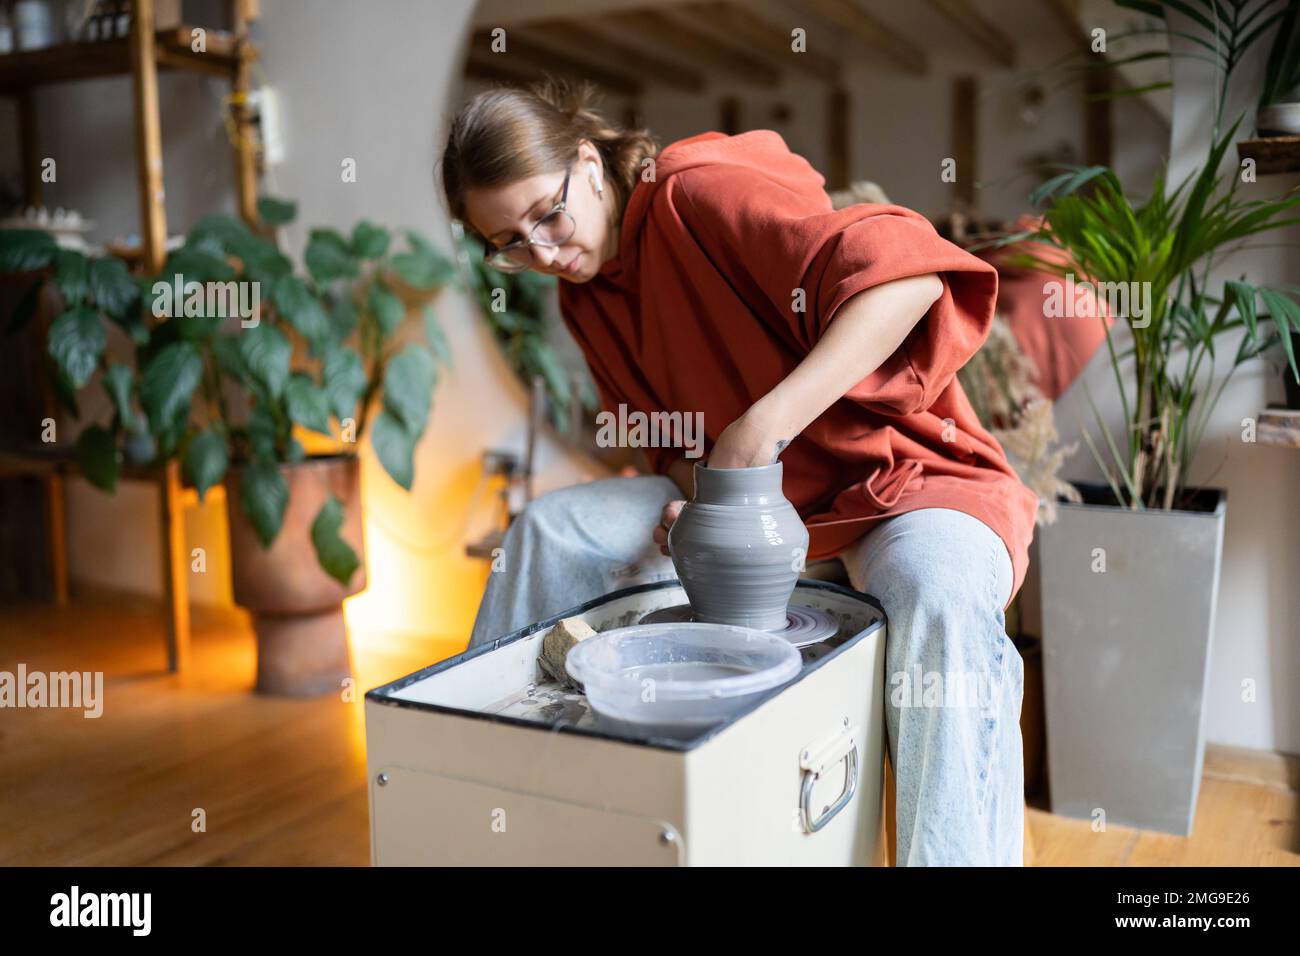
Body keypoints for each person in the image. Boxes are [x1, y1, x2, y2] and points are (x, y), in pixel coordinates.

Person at [440, 81, 1039, 866]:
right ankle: (482, 809)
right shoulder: (589, 300)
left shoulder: (696, 189)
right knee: (549, 529)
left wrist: (760, 429)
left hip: (908, 484)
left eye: (547, 215)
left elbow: (907, 280)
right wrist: (698, 501)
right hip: (765, 513)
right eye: (510, 244)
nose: (543, 253)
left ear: (587, 162)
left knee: (936, 592)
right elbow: (681, 452)